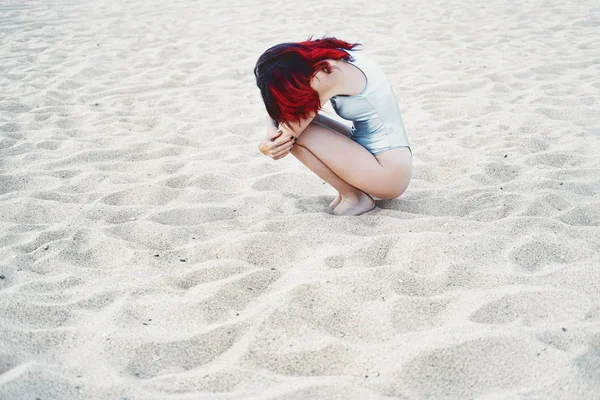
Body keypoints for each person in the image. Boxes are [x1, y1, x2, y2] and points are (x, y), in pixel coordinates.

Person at [254, 36, 412, 216]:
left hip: (389, 173)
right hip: (386, 155)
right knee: (302, 125)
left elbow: (287, 133)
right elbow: (280, 112)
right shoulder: (333, 58)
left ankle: (354, 197)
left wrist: (264, 144)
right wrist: (270, 129)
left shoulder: (324, 77)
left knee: (296, 137)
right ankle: (349, 193)